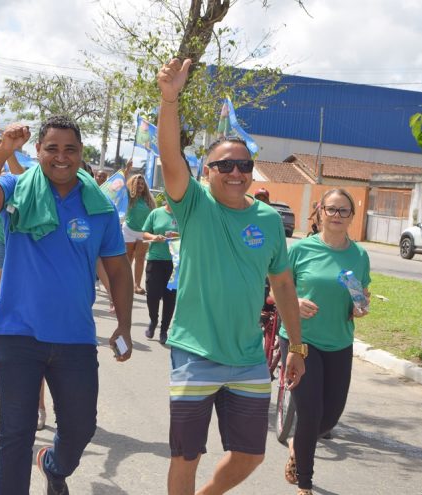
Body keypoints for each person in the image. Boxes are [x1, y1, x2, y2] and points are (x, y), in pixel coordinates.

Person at [157, 58, 306, 495]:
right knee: (186, 454)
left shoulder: (269, 219)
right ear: (207, 172)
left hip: (247, 358)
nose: (236, 173)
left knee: (251, 454)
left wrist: (297, 346)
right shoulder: (194, 205)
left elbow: (282, 285)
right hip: (195, 352)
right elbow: (169, 157)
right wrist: (170, 99)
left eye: (243, 165)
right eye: (225, 166)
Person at [0, 116, 134, 495]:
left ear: (80, 154)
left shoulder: (100, 207)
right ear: (38, 152)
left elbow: (120, 271)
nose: (61, 157)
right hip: (16, 334)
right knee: (15, 432)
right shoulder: (15, 188)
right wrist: (4, 150)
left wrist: (124, 324)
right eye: (51, 149)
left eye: (70, 149)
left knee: (80, 427)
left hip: (75, 338)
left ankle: (54, 464)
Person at [280, 188, 370, 495]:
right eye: (331, 210)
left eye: (343, 211)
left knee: (330, 415)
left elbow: (360, 297)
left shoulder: (359, 255)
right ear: (320, 212)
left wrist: (360, 306)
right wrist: (296, 300)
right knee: (310, 412)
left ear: (351, 217)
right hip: (300, 340)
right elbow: (274, 291)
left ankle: (297, 443)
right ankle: (305, 481)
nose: (337, 216)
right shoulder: (300, 250)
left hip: (339, 341)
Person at [141, 202, 179, 344]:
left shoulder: (182, 214)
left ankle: (164, 330)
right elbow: (144, 232)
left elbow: (190, 235)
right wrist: (154, 237)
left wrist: (177, 235)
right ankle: (153, 320)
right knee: (152, 294)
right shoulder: (156, 213)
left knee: (170, 298)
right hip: (155, 259)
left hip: (174, 261)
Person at [124, 174, 155, 294]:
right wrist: (127, 170)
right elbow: (122, 184)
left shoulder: (148, 200)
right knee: (128, 258)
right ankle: (125, 283)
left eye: (142, 184)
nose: (140, 186)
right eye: (138, 183)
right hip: (129, 231)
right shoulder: (129, 196)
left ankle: (137, 285)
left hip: (144, 233)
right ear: (133, 185)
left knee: (140, 259)